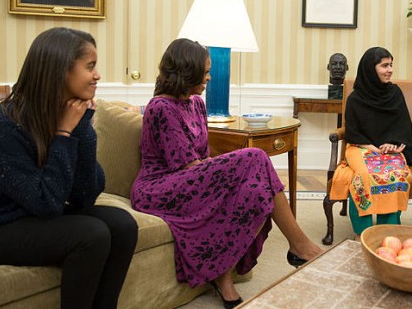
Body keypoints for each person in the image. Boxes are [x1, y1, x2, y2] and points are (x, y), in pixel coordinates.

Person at [130, 38, 323, 309]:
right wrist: (229, 173)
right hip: (160, 187)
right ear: (187, 70)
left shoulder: (197, 103)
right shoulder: (160, 107)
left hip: (190, 178)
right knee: (255, 156)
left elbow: (203, 157)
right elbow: (185, 165)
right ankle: (301, 246)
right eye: (205, 71)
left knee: (256, 190)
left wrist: (228, 175)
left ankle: (224, 278)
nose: (209, 77)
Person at [0, 27, 138, 309]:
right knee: (91, 234)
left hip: (30, 215)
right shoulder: (3, 124)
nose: (98, 75)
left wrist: (82, 128)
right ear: (60, 71)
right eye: (90, 66)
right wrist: (64, 135)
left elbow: (85, 194)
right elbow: (48, 203)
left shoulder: (67, 114)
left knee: (123, 224)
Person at [330, 46, 412, 239]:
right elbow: (353, 133)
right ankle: (362, 232)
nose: (390, 70)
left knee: (395, 173)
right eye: (384, 65)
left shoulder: (395, 93)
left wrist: (392, 145)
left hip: (390, 151)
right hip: (360, 147)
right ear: (371, 69)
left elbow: (403, 126)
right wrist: (373, 148)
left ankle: (387, 231)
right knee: (362, 175)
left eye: (391, 65)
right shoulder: (355, 99)